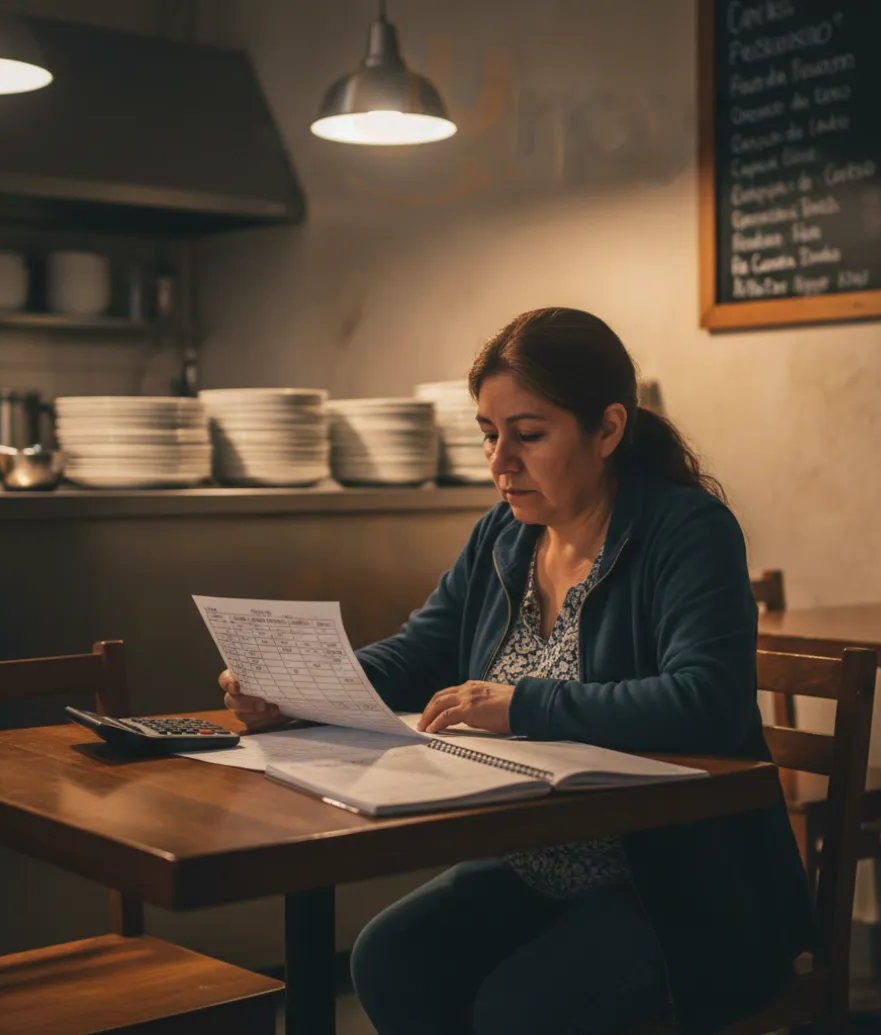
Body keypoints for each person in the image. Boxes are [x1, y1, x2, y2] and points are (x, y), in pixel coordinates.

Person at [221, 307, 813, 1035]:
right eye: (489, 434)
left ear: (608, 429)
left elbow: (706, 701)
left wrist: (521, 703)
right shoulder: (504, 533)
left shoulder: (687, 530)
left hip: (680, 883)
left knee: (518, 1008)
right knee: (390, 959)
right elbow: (418, 652)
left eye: (528, 435)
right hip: (538, 866)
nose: (500, 461)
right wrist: (296, 687)